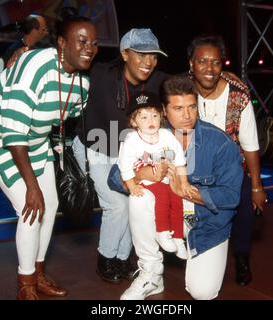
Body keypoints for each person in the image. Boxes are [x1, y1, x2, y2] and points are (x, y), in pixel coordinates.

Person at [0, 13, 98, 300]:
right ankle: (25, 284)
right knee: (30, 207)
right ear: (62, 43)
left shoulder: (82, 84)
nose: (89, 48)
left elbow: (61, 121)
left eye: (93, 42)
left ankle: (38, 274)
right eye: (81, 41)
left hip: (35, 139)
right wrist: (31, 186)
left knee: (50, 204)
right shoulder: (35, 66)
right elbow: (13, 133)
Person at [110, 74, 244, 300]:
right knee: (139, 198)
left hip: (206, 225)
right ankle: (151, 274)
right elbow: (114, 177)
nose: (187, 116)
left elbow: (231, 196)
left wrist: (188, 191)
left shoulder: (219, 143)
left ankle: (196, 254)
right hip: (165, 215)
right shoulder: (148, 134)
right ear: (163, 110)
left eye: (192, 107)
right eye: (178, 108)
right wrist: (142, 173)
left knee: (202, 292)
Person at [72, 28, 169, 284]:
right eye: (141, 55)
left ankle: (122, 258)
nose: (148, 62)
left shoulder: (158, 80)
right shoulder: (101, 73)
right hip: (95, 147)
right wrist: (24, 48)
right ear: (125, 54)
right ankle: (106, 258)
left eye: (154, 56)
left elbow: (187, 83)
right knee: (116, 204)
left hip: (127, 154)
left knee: (133, 202)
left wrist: (222, 77)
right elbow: (66, 59)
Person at [187, 35, 267, 286]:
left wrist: (256, 186)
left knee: (243, 206)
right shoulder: (182, 91)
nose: (209, 69)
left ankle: (241, 258)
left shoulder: (239, 95)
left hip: (230, 168)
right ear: (191, 64)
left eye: (216, 62)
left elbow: (250, 144)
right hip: (192, 166)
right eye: (202, 61)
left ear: (223, 65)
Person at [118, 92, 192, 260]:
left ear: (161, 116)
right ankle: (163, 231)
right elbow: (125, 165)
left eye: (154, 116)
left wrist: (184, 182)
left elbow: (179, 159)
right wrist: (131, 185)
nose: (150, 121)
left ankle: (178, 237)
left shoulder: (166, 135)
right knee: (163, 196)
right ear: (134, 122)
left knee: (176, 198)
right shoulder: (131, 139)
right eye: (143, 117)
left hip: (166, 175)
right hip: (145, 177)